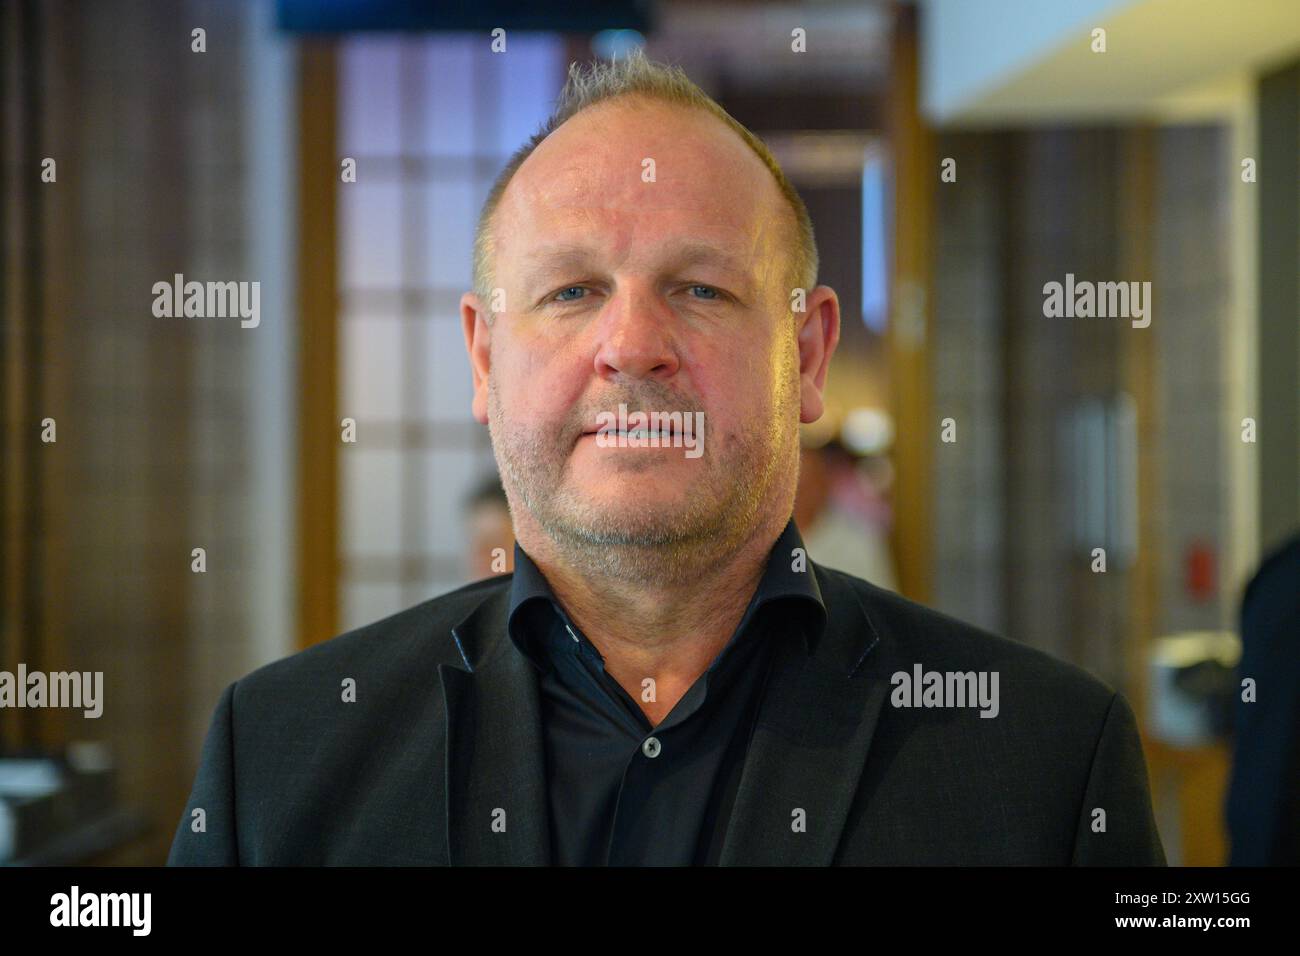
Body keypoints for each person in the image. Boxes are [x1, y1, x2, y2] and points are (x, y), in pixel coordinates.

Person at [168, 51, 1164, 866]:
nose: (632, 342)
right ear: (481, 356)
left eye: (697, 288)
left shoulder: (1041, 761)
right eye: (568, 291)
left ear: (807, 355)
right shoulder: (280, 756)